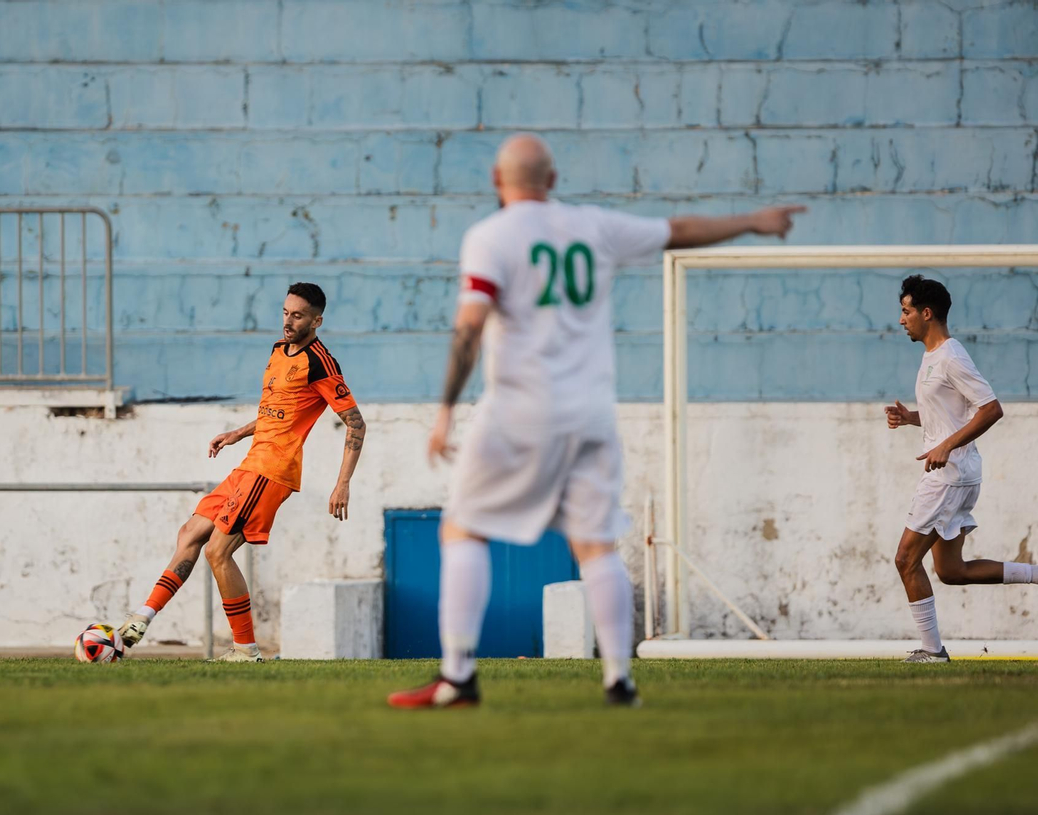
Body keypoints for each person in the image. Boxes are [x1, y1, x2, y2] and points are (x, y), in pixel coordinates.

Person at [389, 134, 803, 709]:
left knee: (463, 527)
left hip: (519, 408)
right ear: (553, 180)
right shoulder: (594, 226)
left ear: (495, 180)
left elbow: (470, 327)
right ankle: (618, 680)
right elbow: (677, 231)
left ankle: (458, 676)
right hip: (590, 412)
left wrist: (444, 411)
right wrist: (754, 221)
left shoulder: (490, 236)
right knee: (596, 545)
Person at [117, 283, 365, 661]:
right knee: (191, 533)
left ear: (317, 320)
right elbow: (275, 410)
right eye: (285, 312)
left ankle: (246, 650)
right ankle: (141, 618)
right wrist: (237, 433)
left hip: (272, 470)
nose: (287, 321)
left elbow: (356, 424)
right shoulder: (279, 351)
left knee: (218, 552)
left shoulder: (321, 363)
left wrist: (342, 483)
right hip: (250, 461)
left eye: (297, 315)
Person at [886, 275, 1031, 662]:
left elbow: (992, 408)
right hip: (956, 473)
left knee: (905, 559)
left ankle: (933, 653)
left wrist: (947, 445)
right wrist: (913, 419)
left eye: (906, 311)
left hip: (948, 476)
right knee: (951, 571)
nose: (901, 320)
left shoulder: (951, 355)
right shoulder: (933, 357)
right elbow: (950, 416)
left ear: (926, 313)